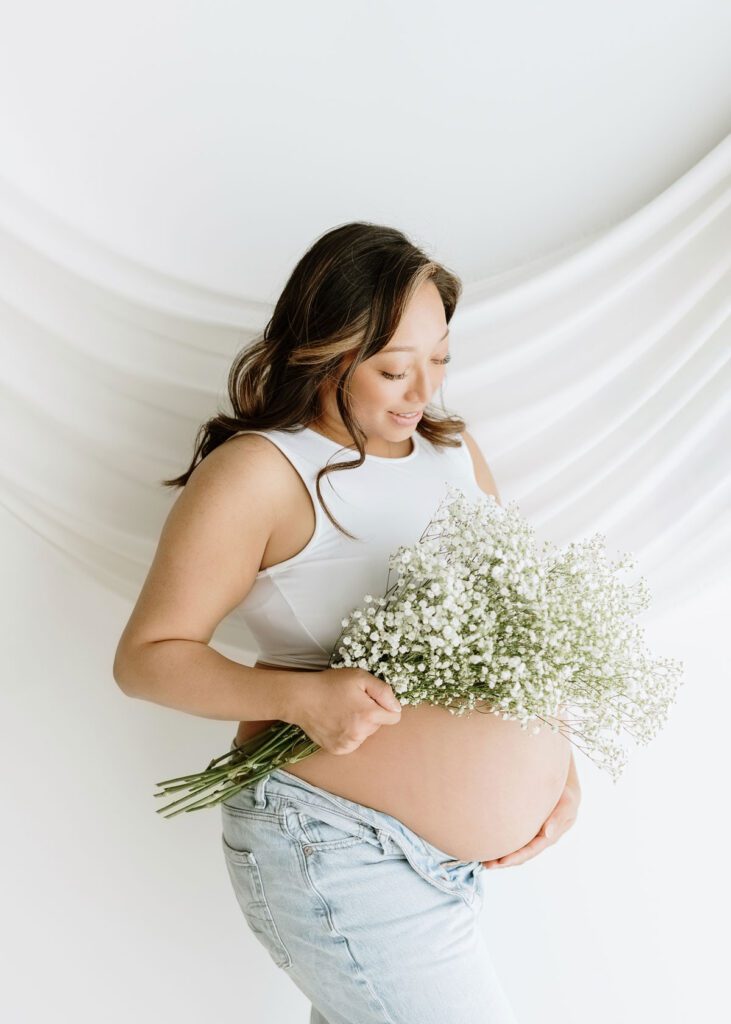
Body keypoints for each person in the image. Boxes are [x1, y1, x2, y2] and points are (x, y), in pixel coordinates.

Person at [113, 222, 579, 1023]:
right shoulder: (260, 472)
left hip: (434, 859)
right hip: (331, 842)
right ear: (324, 352)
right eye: (394, 368)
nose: (421, 392)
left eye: (438, 361)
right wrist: (301, 699)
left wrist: (554, 768)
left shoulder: (454, 452)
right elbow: (148, 657)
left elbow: (513, 625)